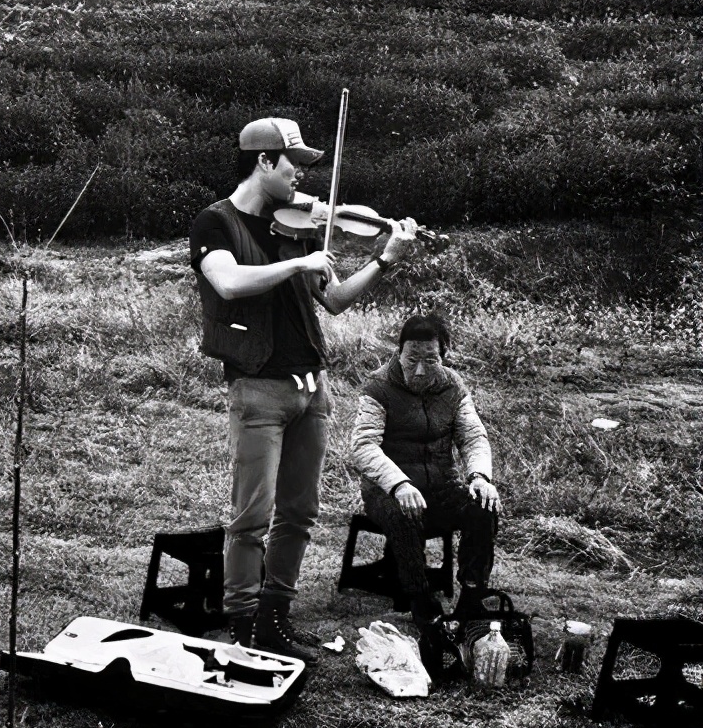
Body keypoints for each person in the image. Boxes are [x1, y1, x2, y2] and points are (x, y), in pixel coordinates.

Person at [190, 116, 418, 663]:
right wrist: (299, 261)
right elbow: (228, 281)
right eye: (295, 164)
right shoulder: (214, 223)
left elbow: (334, 299)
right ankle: (243, 621)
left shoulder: (294, 224)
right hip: (259, 390)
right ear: (265, 161)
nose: (301, 177)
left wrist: (385, 258)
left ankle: (275, 618)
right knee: (252, 516)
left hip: (312, 391)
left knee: (300, 513)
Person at [349, 312, 500, 627]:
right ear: (399, 352)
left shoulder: (452, 386)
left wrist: (480, 477)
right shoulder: (379, 385)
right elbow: (364, 446)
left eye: (430, 360)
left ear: (443, 357)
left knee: (483, 508)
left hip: (441, 486)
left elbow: (473, 436)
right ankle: (421, 601)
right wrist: (399, 484)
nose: (419, 370)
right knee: (403, 514)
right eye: (411, 358)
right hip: (387, 490)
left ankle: (473, 596)